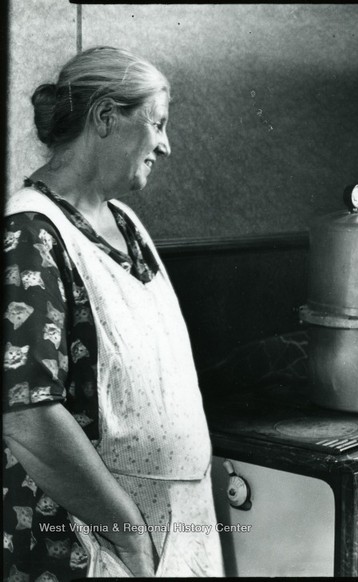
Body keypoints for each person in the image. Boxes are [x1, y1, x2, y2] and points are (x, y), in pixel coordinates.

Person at [3, 46, 223, 579]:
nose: (166, 146)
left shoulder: (125, 221)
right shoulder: (28, 233)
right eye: (158, 124)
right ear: (105, 117)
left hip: (176, 525)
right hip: (90, 537)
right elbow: (27, 416)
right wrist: (129, 536)